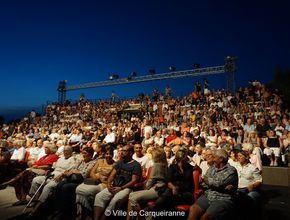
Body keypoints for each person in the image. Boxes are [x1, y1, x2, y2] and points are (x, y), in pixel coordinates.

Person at [93, 145, 142, 220]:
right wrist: (109, 184)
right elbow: (112, 175)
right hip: (114, 186)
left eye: (124, 151)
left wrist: (121, 188)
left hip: (126, 188)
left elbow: (134, 181)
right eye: (122, 151)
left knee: (115, 201)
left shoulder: (136, 165)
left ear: (131, 153)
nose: (122, 152)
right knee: (99, 196)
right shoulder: (120, 162)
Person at [188, 149, 238, 220]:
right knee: (193, 209)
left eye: (214, 157)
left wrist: (209, 181)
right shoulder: (212, 168)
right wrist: (205, 181)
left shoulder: (231, 170)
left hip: (223, 198)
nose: (212, 159)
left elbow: (219, 183)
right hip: (209, 195)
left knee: (205, 217)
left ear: (221, 159)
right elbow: (206, 183)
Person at [28, 145, 77, 216]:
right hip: (52, 174)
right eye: (64, 151)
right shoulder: (60, 158)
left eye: (67, 151)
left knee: (48, 187)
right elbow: (53, 167)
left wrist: (62, 175)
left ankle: (38, 206)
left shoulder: (73, 159)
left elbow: (71, 170)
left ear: (71, 151)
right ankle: (35, 199)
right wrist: (48, 171)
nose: (65, 152)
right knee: (36, 180)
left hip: (60, 177)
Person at [127, 148, 167, 220]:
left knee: (133, 198)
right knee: (131, 195)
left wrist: (144, 187)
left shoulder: (157, 165)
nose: (151, 156)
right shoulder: (164, 164)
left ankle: (141, 218)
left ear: (156, 156)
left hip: (157, 190)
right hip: (160, 189)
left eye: (152, 155)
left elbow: (151, 181)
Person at [75, 146, 115, 220]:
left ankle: (89, 212)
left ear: (113, 155)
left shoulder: (114, 164)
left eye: (110, 154)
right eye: (106, 153)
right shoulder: (99, 161)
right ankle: (81, 212)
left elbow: (110, 179)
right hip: (94, 181)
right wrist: (99, 177)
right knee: (78, 189)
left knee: (87, 192)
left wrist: (102, 179)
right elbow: (91, 173)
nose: (108, 155)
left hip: (104, 184)